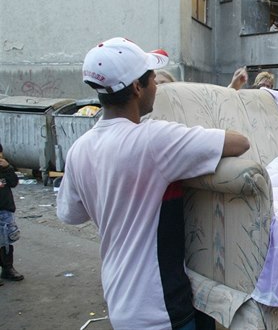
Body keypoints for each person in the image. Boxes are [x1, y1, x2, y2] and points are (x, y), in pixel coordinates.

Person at [56, 37, 250, 330]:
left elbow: (71, 214)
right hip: (161, 309)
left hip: (120, 299)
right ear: (137, 87)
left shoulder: (79, 149)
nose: (157, 87)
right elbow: (240, 143)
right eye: (153, 80)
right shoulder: (153, 140)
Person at [0, 144, 23, 284]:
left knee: (7, 242)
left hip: (5, 210)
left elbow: (14, 182)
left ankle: (8, 269)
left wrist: (7, 167)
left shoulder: (4, 168)